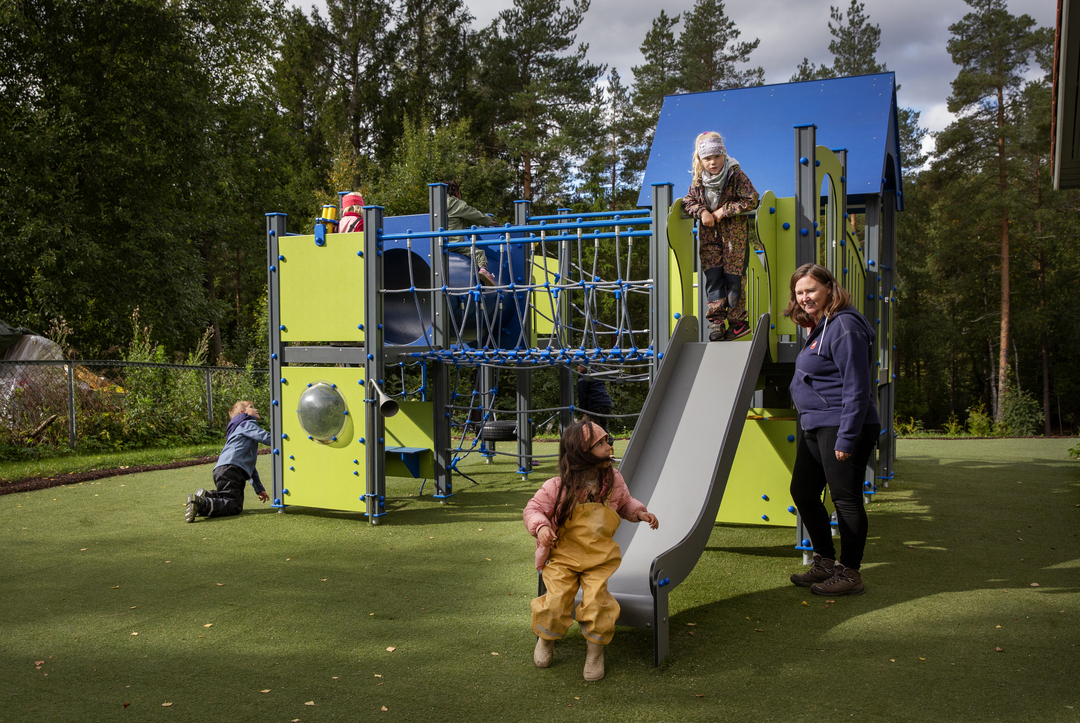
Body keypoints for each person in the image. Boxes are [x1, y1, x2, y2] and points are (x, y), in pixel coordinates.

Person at [523, 421, 659, 681]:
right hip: (564, 556)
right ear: (581, 452)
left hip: (598, 557)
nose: (610, 446)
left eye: (608, 441)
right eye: (602, 443)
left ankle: (595, 652)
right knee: (555, 600)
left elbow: (625, 502)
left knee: (598, 602)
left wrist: (639, 512)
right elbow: (533, 509)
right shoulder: (558, 485)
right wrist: (540, 527)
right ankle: (546, 639)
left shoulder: (612, 479)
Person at [785, 264, 880, 596]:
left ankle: (850, 573)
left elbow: (857, 384)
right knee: (804, 492)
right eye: (799, 292)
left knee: (845, 498)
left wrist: (847, 436)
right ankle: (825, 561)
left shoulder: (845, 326)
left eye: (810, 290)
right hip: (816, 423)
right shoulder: (822, 326)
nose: (804, 297)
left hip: (841, 423)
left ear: (829, 288)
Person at [682, 131, 759, 341]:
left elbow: (751, 199)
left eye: (717, 156)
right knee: (714, 277)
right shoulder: (699, 181)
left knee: (733, 278)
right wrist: (703, 212)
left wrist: (723, 211)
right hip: (710, 238)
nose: (713, 162)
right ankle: (716, 322)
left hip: (734, 236)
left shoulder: (735, 175)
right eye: (707, 158)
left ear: (724, 155)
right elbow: (687, 202)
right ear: (701, 160)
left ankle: (737, 322)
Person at [184, 401, 272, 522]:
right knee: (234, 505)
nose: (256, 409)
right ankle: (201, 504)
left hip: (223, 468)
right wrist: (281, 439)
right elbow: (264, 436)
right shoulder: (247, 423)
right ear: (242, 412)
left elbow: (250, 466)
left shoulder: (236, 429)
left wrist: (259, 488)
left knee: (228, 496)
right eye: (251, 407)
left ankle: (209, 496)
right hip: (232, 469)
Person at [445, 180, 498, 286]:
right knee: (479, 253)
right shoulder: (456, 204)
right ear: (456, 192)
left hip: (438, 243)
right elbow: (473, 214)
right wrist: (488, 221)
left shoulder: (436, 203)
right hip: (454, 244)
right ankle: (484, 271)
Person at [576, 364, 613, 432]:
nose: (577, 366)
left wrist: (583, 410)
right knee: (602, 425)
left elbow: (581, 394)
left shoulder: (584, 377)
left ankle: (602, 441)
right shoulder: (598, 373)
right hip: (606, 403)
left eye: (579, 365)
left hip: (595, 404)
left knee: (594, 428)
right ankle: (608, 440)